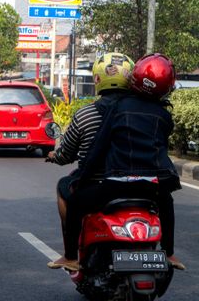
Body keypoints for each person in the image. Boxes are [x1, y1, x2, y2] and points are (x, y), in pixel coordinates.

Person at [47, 53, 184, 271]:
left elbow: (98, 146)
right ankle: (170, 254)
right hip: (152, 186)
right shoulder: (162, 114)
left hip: (114, 181)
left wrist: (82, 175)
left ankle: (71, 256)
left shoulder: (113, 109)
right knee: (166, 202)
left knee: (73, 199)